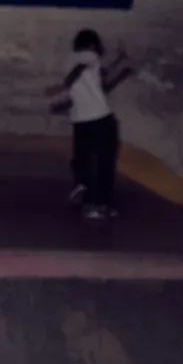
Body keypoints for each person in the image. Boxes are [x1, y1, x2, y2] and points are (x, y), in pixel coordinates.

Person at [46, 28, 131, 221]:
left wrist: (121, 71)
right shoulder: (87, 56)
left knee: (85, 162)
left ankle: (88, 196)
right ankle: (100, 203)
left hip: (81, 122)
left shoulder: (69, 60)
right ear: (92, 45)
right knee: (105, 165)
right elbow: (81, 71)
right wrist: (67, 83)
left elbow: (100, 87)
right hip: (101, 120)